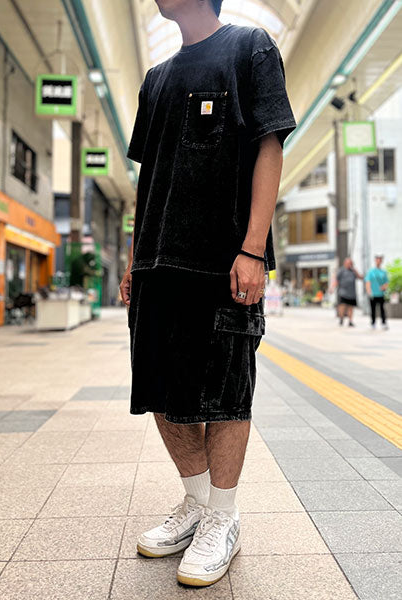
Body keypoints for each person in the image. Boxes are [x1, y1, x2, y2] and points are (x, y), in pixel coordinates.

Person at [119, 0, 296, 587]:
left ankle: (224, 515)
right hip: (156, 264)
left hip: (223, 264)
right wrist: (134, 259)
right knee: (160, 391)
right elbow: (148, 176)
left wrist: (253, 249)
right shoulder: (156, 79)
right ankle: (196, 502)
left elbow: (269, 145)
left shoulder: (250, 47)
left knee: (224, 395)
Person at [333, 257, 363, 327]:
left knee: (351, 307)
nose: (349, 265)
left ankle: (350, 321)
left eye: (351, 263)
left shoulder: (353, 271)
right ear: (345, 263)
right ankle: (341, 319)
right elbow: (336, 280)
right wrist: (332, 288)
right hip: (343, 292)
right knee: (342, 306)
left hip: (352, 293)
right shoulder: (341, 270)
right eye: (348, 263)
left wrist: (355, 270)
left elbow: (360, 277)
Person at [365, 254, 389, 330]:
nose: (378, 261)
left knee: (382, 309)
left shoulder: (383, 272)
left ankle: (383, 323)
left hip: (381, 294)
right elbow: (367, 281)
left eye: (380, 260)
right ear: (375, 261)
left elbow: (386, 282)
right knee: (373, 309)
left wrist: (383, 287)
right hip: (373, 294)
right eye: (377, 259)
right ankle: (373, 323)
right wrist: (368, 290)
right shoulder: (371, 271)